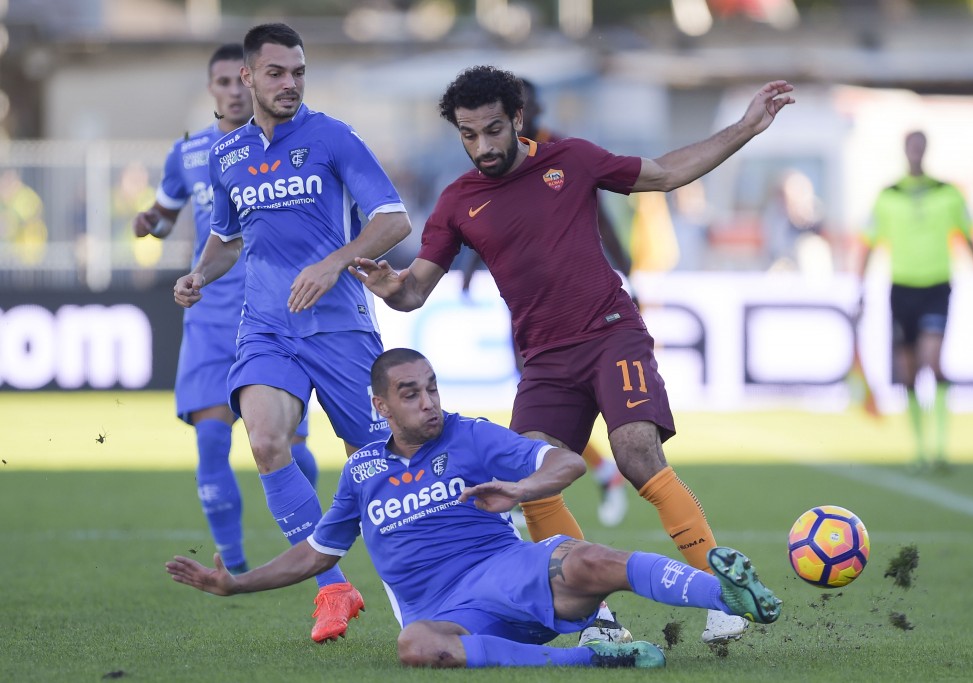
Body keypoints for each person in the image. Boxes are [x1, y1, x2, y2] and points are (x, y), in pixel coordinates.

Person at [349, 65, 794, 645]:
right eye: (468, 135)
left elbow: (665, 174)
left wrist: (746, 127)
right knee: (531, 475)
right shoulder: (458, 200)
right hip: (544, 361)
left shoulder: (572, 160)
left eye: (492, 130)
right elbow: (414, 292)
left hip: (610, 333)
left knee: (636, 454)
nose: (482, 147)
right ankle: (598, 621)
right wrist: (391, 287)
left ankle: (721, 595)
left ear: (517, 119)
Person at [166, 348, 782, 669]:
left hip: (515, 575)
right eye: (411, 394)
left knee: (588, 558)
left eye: (432, 388)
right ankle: (590, 660)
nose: (429, 403)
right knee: (414, 646)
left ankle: (729, 596)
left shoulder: (470, 435)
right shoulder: (362, 471)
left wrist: (521, 490)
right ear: (382, 407)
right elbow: (317, 553)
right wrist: (237, 584)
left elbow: (566, 462)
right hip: (451, 616)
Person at [171, 24, 412, 642]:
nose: (290, 83)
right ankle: (333, 588)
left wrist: (335, 263)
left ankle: (449, 571)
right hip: (267, 329)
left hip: (339, 328)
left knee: (385, 467)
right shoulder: (228, 155)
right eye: (276, 72)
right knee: (266, 441)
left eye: (298, 72)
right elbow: (226, 239)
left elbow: (393, 219)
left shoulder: (333, 136)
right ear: (248, 77)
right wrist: (199, 274)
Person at [134, 43, 323, 578]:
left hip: (273, 309)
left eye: (239, 81)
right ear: (211, 88)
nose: (234, 92)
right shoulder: (189, 153)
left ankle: (314, 553)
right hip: (210, 316)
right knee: (212, 441)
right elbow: (167, 214)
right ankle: (232, 565)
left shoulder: (290, 143)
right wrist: (150, 223)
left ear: (252, 80)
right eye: (222, 83)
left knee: (290, 447)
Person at [459, 77, 629, 529]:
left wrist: (626, 265)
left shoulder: (559, 152)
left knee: (568, 399)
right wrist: (471, 269)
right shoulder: (494, 157)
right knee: (539, 398)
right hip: (527, 303)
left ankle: (581, 477)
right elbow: (490, 219)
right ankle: (591, 474)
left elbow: (598, 209)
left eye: (525, 107)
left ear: (528, 112)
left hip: (579, 301)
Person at [858, 130, 973, 472]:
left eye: (920, 146)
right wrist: (859, 286)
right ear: (905, 150)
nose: (916, 152)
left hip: (936, 286)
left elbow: (968, 237)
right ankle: (919, 451)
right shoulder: (888, 195)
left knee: (932, 363)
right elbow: (869, 242)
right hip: (901, 288)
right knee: (907, 372)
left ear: (926, 150)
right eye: (911, 146)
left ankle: (941, 449)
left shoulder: (948, 193)